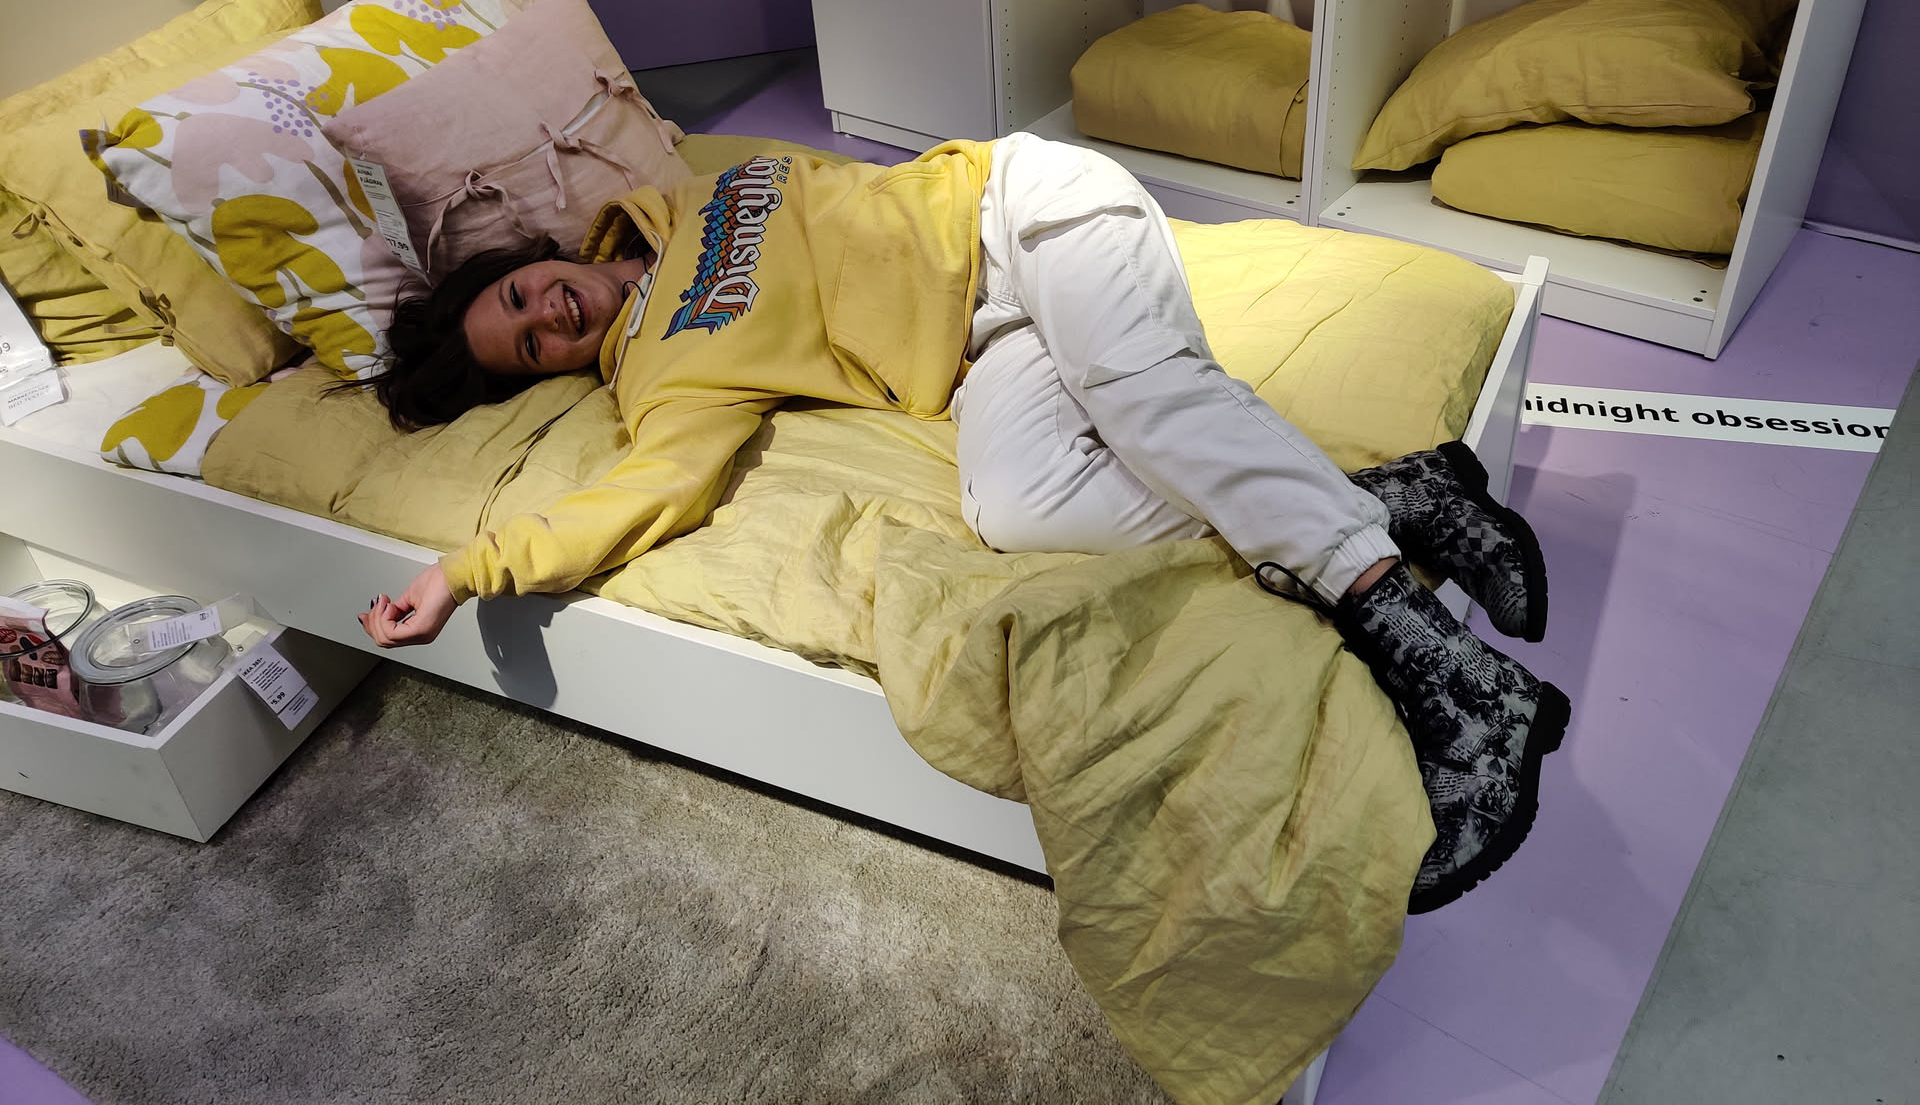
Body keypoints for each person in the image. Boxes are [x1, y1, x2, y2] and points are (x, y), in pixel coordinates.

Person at [358, 134, 1568, 911]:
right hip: (991, 341)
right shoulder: (665, 377)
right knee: (1016, 505)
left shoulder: (688, 190)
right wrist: (467, 572)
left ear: (531, 259)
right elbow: (642, 492)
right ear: (552, 373)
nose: (550, 314)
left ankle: (1469, 691)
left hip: (1018, 207)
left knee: (1145, 397)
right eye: (531, 347)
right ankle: (1395, 500)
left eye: (521, 293)